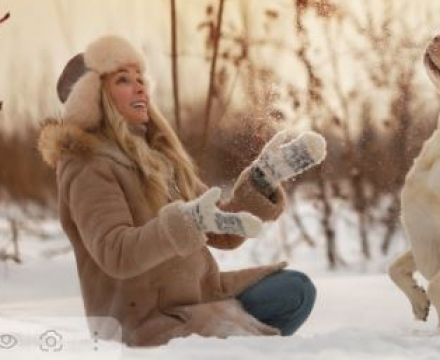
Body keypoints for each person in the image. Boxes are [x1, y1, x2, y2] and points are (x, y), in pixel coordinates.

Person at [38, 35, 327, 347]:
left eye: (140, 79)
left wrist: (260, 181)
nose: (139, 87)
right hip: (145, 321)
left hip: (199, 298)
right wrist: (183, 223)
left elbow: (222, 229)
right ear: (93, 97)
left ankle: (237, 346)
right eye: (123, 80)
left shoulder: (159, 155)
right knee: (250, 336)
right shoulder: (87, 164)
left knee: (295, 290)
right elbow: (115, 252)